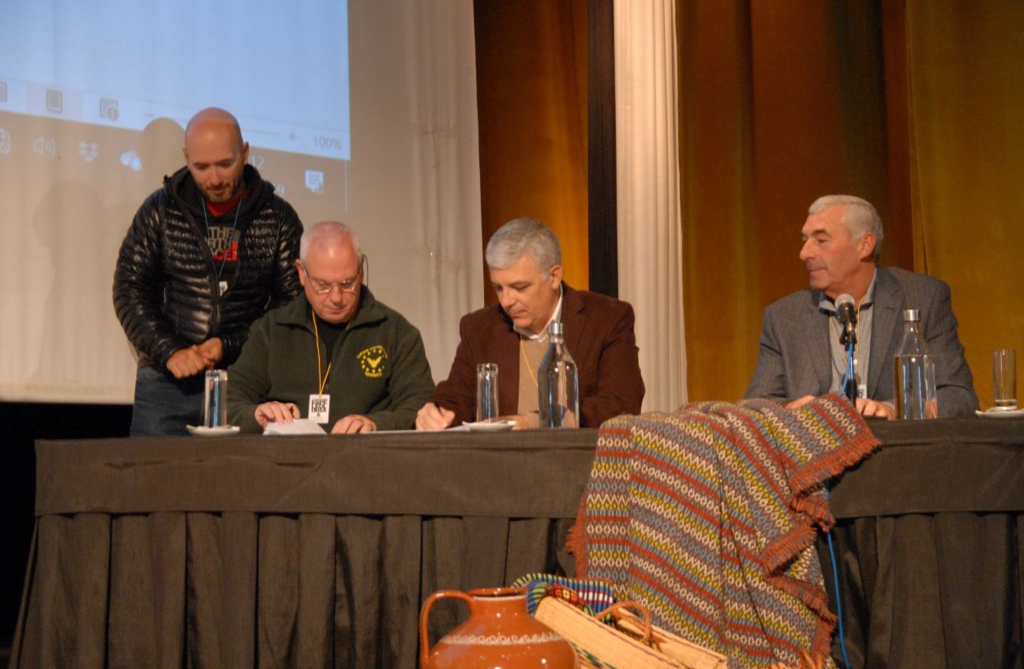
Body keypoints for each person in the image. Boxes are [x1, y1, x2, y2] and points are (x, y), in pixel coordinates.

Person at [114, 107, 303, 436]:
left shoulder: (278, 217)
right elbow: (129, 289)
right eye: (201, 167)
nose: (214, 178)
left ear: (244, 153)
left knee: (239, 484)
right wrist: (168, 350)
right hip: (166, 382)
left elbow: (291, 302)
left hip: (246, 379)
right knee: (152, 481)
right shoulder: (159, 210)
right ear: (186, 159)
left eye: (225, 164)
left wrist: (228, 344)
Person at [745, 194, 978, 418]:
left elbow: (958, 397)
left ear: (864, 245)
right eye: (805, 240)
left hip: (897, 451)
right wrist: (792, 410)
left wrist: (898, 411)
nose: (804, 253)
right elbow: (756, 407)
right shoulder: (783, 316)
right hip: (816, 454)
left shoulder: (922, 297)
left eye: (821, 240)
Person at [416, 217, 645, 430]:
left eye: (520, 288)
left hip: (581, 465)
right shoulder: (479, 327)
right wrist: (436, 413)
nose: (506, 301)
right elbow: (455, 398)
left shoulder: (607, 318)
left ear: (554, 276)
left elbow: (620, 404)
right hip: (501, 466)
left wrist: (536, 421)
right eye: (498, 288)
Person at [227, 221, 435, 434]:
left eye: (347, 284)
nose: (336, 298)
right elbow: (229, 402)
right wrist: (256, 415)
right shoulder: (271, 330)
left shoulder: (395, 332)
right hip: (284, 461)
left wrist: (376, 424)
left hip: (366, 459)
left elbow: (422, 407)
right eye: (323, 286)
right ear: (301, 273)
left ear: (361, 270)